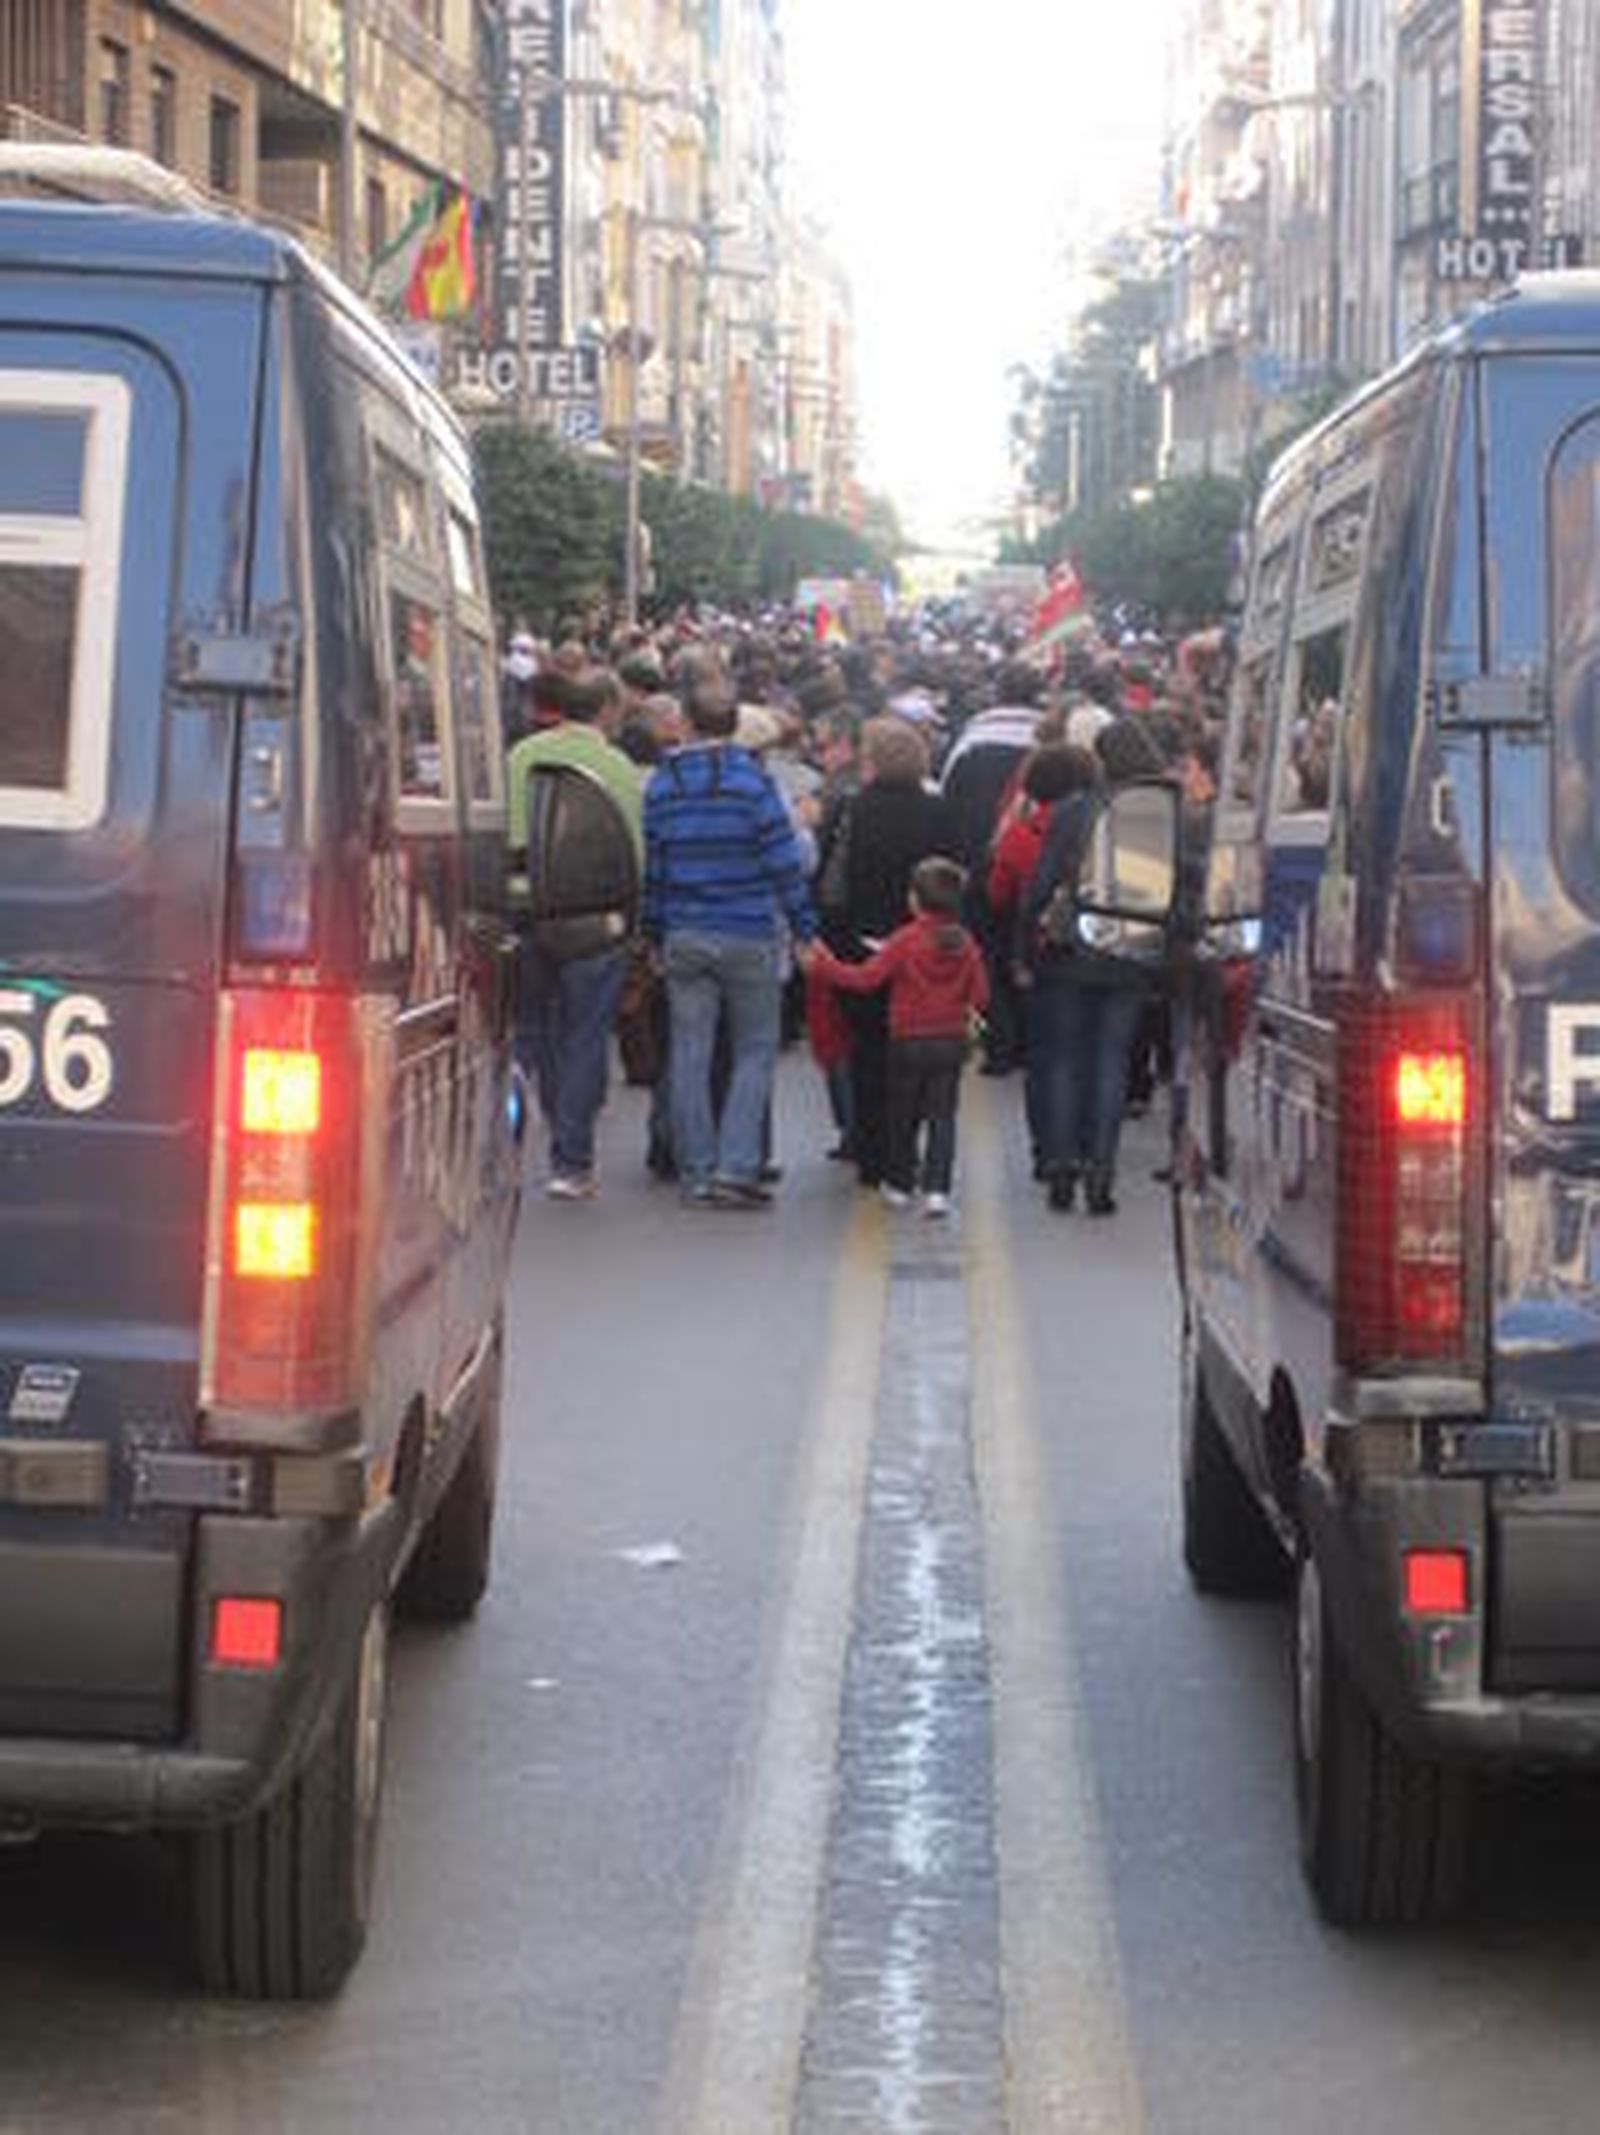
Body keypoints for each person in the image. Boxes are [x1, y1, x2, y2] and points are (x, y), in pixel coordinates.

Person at [643, 669, 816, 1208]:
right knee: (754, 1050)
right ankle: (736, 1166)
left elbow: (655, 865)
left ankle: (695, 1169)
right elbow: (783, 861)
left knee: (690, 1053)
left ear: (687, 726)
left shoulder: (663, 785)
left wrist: (653, 932)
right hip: (747, 928)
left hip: (685, 930)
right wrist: (804, 928)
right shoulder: (753, 783)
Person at [506, 669, 645, 1199]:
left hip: (526, 912)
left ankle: (507, 1150)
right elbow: (634, 854)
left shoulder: (520, 756)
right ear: (607, 710)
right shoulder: (617, 766)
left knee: (528, 1033)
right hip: (595, 921)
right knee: (585, 1037)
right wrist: (636, 926)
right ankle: (572, 1162)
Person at [805, 857, 987, 1217]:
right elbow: (981, 995)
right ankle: (938, 1191)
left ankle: (900, 1185)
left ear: (915, 900)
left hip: (907, 1040)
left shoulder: (905, 940)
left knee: (902, 1115)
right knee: (943, 1117)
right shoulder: (966, 944)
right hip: (950, 1041)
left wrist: (823, 965)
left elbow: (865, 979)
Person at [819, 715, 955, 1189]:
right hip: (923, 947)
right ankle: (905, 1152)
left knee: (868, 1052)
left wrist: (831, 941)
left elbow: (830, 884)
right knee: (914, 1054)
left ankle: (871, 1152)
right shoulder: (940, 812)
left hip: (862, 946)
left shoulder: (849, 809)